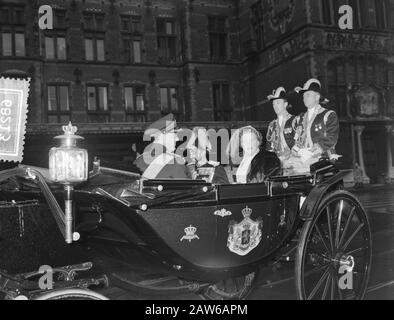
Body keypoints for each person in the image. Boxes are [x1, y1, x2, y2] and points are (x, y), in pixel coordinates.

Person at [286, 79, 341, 174]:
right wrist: (297, 150)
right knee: (286, 167)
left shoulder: (328, 115)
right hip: (303, 159)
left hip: (323, 158)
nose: (304, 98)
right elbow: (299, 138)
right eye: (303, 96)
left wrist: (312, 152)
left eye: (308, 95)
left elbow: (332, 138)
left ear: (317, 97)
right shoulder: (301, 118)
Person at [134, 113, 191, 180]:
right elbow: (188, 189)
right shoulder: (176, 163)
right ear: (162, 135)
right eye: (174, 133)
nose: (177, 138)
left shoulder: (139, 160)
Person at [266, 87, 297, 163]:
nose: (275, 106)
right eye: (273, 104)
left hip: (293, 162)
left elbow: (299, 142)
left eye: (278, 103)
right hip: (276, 164)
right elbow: (269, 147)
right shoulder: (272, 125)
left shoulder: (294, 120)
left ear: (285, 104)